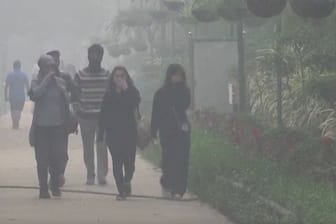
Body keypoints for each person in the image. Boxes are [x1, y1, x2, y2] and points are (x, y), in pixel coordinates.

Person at [28, 55, 73, 199]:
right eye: (47, 66)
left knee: (58, 157)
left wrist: (63, 91)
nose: (51, 69)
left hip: (58, 126)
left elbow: (67, 101)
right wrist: (47, 79)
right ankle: (43, 188)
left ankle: (54, 184)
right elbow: (35, 95)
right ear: (41, 67)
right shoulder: (36, 81)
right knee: (42, 159)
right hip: (41, 126)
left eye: (53, 66)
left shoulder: (60, 82)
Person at [98, 66, 140, 201]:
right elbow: (103, 114)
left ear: (126, 77)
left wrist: (126, 88)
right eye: (117, 76)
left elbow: (134, 102)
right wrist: (101, 132)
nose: (120, 78)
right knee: (117, 162)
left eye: (122, 76)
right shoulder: (109, 94)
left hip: (129, 133)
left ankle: (127, 180)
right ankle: (121, 190)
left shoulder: (132, 91)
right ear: (113, 78)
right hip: (113, 134)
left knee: (130, 163)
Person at [151, 64, 191, 200]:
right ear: (169, 76)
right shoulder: (160, 93)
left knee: (182, 160)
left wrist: (177, 90)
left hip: (182, 130)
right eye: (174, 74)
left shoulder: (185, 91)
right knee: (169, 160)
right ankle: (167, 184)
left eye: (180, 75)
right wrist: (153, 132)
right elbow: (155, 114)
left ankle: (179, 190)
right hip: (167, 131)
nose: (177, 77)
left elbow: (184, 105)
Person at [74, 44, 109, 185]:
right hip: (85, 117)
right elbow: (74, 95)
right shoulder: (80, 75)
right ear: (88, 56)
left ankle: (102, 175)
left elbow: (111, 95)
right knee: (88, 147)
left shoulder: (107, 75)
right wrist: (77, 112)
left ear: (102, 57)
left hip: (102, 118)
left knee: (102, 146)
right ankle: (90, 173)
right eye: (92, 55)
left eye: (98, 55)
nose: (95, 58)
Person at [46, 50, 77, 187]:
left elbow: (75, 94)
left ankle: (59, 175)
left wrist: (70, 106)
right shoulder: (41, 78)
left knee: (62, 152)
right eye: (51, 60)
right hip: (45, 123)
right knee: (47, 152)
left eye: (56, 60)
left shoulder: (65, 77)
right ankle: (53, 175)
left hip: (62, 121)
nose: (54, 63)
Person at [4, 60, 29, 129]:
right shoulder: (24, 75)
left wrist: (5, 96)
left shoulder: (9, 75)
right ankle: (17, 123)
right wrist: (29, 94)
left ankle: (14, 123)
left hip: (12, 95)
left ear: (13, 66)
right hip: (21, 96)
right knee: (18, 110)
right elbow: (27, 86)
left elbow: (6, 86)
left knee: (13, 109)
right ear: (20, 66)